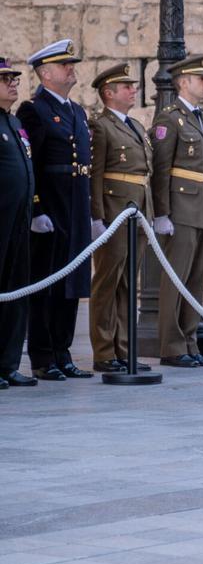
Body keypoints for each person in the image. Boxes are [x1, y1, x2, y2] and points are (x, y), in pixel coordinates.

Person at [17, 39, 93, 380]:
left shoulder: (76, 111)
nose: (71, 69)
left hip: (75, 206)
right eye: (64, 65)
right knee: (46, 285)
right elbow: (32, 163)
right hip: (52, 206)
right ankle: (43, 356)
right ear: (45, 73)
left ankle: (63, 352)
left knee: (72, 284)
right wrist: (37, 210)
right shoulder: (34, 110)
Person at [151, 54, 203, 368]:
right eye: (200, 79)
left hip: (201, 208)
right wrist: (162, 213)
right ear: (183, 82)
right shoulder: (170, 117)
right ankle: (172, 345)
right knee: (175, 280)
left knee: (194, 280)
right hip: (180, 208)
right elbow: (162, 168)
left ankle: (189, 340)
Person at [88, 63, 153, 373]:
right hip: (114, 214)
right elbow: (96, 174)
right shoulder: (100, 126)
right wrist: (97, 216)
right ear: (108, 93)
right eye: (126, 87)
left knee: (128, 284)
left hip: (136, 212)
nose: (133, 90)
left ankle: (124, 350)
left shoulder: (137, 126)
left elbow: (144, 175)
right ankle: (104, 351)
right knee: (107, 282)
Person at [0, 57, 36, 388]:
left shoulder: (12, 123)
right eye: (5, 79)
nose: (13, 83)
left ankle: (8, 363)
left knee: (16, 292)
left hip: (18, 221)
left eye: (13, 78)